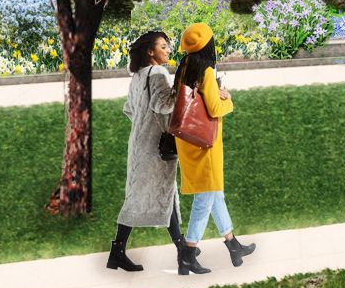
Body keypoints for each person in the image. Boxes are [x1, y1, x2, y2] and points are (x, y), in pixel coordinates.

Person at [110, 31, 197, 273]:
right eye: (163, 46)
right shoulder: (158, 72)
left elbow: (129, 110)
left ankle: (181, 249)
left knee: (158, 195)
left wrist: (144, 126)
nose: (168, 50)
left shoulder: (137, 76)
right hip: (157, 146)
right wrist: (181, 87)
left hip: (139, 143)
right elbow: (163, 104)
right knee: (156, 194)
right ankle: (180, 252)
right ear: (151, 52)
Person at [174, 22, 256, 271]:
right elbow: (215, 107)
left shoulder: (185, 66)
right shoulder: (206, 71)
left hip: (189, 141)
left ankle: (233, 246)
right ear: (209, 44)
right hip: (206, 145)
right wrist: (227, 98)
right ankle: (187, 254)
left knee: (214, 193)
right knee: (205, 198)